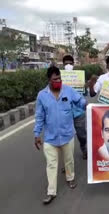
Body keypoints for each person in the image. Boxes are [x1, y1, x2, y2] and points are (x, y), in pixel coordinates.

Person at [34, 66, 87, 204]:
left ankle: (70, 179)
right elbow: (39, 116)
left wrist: (86, 105)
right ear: (49, 80)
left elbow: (80, 101)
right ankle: (51, 192)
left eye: (59, 78)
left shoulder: (68, 90)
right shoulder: (42, 95)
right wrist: (37, 134)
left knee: (69, 160)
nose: (58, 81)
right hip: (50, 138)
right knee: (51, 164)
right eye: (54, 79)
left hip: (67, 135)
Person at [62, 55, 87, 159]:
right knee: (65, 138)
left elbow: (84, 95)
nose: (68, 65)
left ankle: (85, 149)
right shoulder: (59, 78)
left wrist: (84, 87)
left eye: (70, 63)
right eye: (66, 63)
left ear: (73, 64)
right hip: (64, 113)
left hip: (78, 112)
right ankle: (67, 161)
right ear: (63, 65)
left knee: (81, 135)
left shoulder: (78, 77)